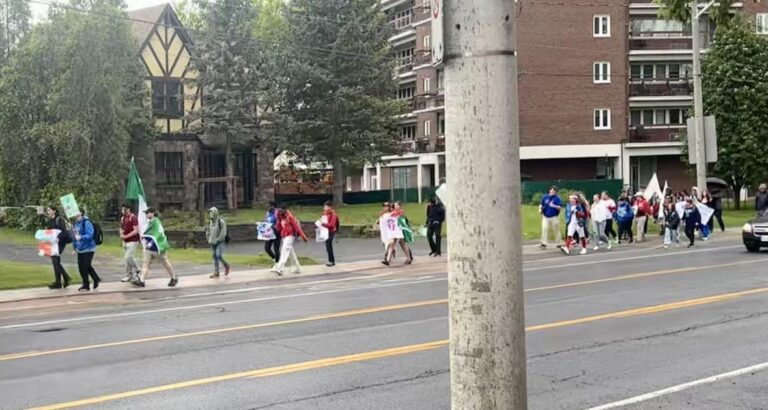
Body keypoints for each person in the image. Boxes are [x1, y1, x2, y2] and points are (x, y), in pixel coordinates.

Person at [133, 208, 178, 287]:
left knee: (165, 263)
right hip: (149, 247)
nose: (146, 214)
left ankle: (173, 278)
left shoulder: (156, 222)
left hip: (158, 247)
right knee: (145, 264)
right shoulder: (150, 222)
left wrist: (151, 241)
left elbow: (158, 233)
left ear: (152, 213)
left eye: (148, 213)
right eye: (146, 213)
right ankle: (141, 280)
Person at [272, 207, 308, 275]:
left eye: (280, 213)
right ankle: (298, 268)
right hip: (284, 236)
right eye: (278, 214)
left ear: (284, 211)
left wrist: (303, 236)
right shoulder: (280, 218)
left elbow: (296, 226)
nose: (279, 214)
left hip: (290, 235)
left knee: (284, 251)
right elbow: (278, 228)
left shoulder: (290, 217)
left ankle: (279, 268)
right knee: (291, 253)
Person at [72, 210, 101, 292]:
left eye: (77, 213)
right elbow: (74, 236)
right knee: (81, 267)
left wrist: (81, 237)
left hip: (89, 248)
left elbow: (90, 234)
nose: (76, 215)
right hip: (80, 248)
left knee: (86, 265)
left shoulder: (86, 222)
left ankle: (96, 279)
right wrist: (74, 248)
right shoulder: (75, 224)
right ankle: (86, 284)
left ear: (81, 213)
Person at [45, 206, 71, 289]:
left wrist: (57, 238)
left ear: (54, 211)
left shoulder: (59, 220)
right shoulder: (50, 221)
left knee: (55, 260)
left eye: (49, 210)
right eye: (47, 210)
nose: (48, 212)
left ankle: (65, 278)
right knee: (55, 261)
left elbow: (64, 232)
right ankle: (59, 281)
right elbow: (49, 232)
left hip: (60, 243)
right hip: (53, 243)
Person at [119, 204, 141, 283]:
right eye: (122, 210)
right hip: (125, 241)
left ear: (128, 209)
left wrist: (126, 236)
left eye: (124, 210)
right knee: (126, 261)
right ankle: (130, 276)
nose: (123, 211)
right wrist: (121, 234)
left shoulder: (133, 217)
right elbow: (121, 228)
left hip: (133, 240)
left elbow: (136, 230)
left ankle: (137, 268)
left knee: (128, 257)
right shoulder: (122, 218)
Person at [206, 207, 230, 278]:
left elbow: (223, 233)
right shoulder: (210, 222)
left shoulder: (220, 221)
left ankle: (226, 265)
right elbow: (207, 231)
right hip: (212, 242)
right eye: (209, 213)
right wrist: (208, 239)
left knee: (218, 255)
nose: (210, 214)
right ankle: (216, 272)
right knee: (214, 257)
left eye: (212, 213)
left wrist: (218, 239)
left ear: (215, 213)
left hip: (220, 242)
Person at [320, 201, 339, 267]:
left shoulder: (333, 215)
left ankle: (331, 261)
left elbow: (332, 225)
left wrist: (323, 224)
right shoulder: (324, 214)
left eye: (326, 207)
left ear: (330, 207)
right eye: (324, 207)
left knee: (329, 245)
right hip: (325, 232)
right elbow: (322, 220)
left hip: (331, 232)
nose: (324, 208)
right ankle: (330, 260)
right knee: (327, 246)